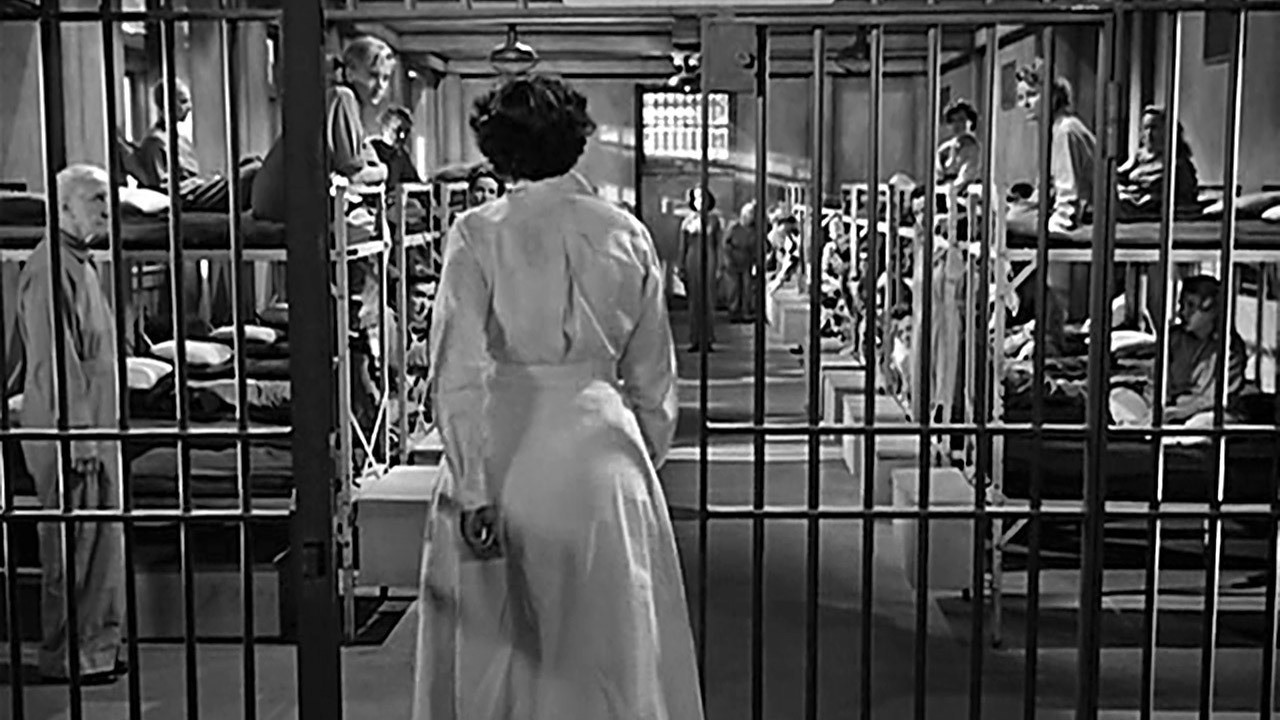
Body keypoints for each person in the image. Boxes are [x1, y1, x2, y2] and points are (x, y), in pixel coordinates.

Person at [413, 74, 702, 720]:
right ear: (576, 142)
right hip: (603, 456)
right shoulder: (627, 233)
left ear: (497, 149)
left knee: (499, 654)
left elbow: (457, 370)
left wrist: (473, 483)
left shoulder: (478, 233)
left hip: (505, 449)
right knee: (609, 653)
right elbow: (655, 379)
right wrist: (641, 460)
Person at [17, 164, 126, 684]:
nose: (107, 210)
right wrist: (77, 432)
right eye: (96, 200)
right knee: (74, 545)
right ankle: (70, 655)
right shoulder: (49, 269)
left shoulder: (81, 264)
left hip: (95, 424)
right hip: (73, 429)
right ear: (62, 208)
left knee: (100, 543)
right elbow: (52, 362)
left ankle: (97, 648)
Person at [252, 35, 392, 221]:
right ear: (350, 73)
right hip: (284, 201)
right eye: (373, 76)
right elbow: (355, 174)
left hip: (274, 197)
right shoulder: (342, 98)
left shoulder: (337, 100)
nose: (380, 85)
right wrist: (384, 170)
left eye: (386, 78)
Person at [1014, 59, 1098, 355]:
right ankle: (1041, 324)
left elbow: (1068, 191)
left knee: (1006, 227)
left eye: (1031, 95)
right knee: (1006, 219)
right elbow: (1047, 189)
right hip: (1073, 209)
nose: (1025, 104)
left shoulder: (1065, 130)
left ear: (1052, 95)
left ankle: (1042, 325)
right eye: (1021, 97)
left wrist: (1051, 225)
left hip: (1088, 215)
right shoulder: (1057, 129)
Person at [1112, 275, 1247, 428]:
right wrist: (1157, 407)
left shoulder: (1230, 348)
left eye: (1191, 305)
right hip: (1164, 411)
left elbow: (1214, 400)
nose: (1182, 312)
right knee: (1118, 396)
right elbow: (1156, 383)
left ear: (1211, 309)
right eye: (1182, 305)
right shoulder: (1173, 339)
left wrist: (1177, 412)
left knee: (1203, 423)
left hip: (1198, 414)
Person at [1116, 105, 1200, 217]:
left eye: (1154, 128)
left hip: (1155, 213)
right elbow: (1118, 174)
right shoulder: (1139, 157)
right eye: (1146, 128)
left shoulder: (1178, 164)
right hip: (1129, 205)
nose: (1149, 133)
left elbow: (1185, 198)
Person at [680, 185, 722, 352]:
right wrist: (680, 265)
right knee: (694, 300)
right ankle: (695, 338)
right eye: (697, 198)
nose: (700, 201)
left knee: (708, 300)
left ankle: (708, 339)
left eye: (703, 197)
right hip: (692, 259)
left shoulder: (714, 221)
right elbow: (682, 246)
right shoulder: (687, 222)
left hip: (709, 258)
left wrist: (719, 266)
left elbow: (719, 245)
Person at [723, 200, 760, 323]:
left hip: (747, 261)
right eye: (749, 214)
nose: (750, 217)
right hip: (733, 261)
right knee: (734, 288)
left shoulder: (754, 230)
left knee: (747, 288)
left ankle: (746, 311)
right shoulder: (734, 228)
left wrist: (755, 261)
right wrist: (728, 259)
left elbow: (756, 247)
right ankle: (733, 312)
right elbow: (725, 244)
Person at [935, 98, 981, 196]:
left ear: (970, 122)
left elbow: (968, 175)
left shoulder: (972, 147)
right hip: (944, 191)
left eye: (961, 120)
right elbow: (938, 174)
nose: (957, 125)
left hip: (965, 194)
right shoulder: (944, 148)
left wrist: (952, 188)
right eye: (953, 120)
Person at [370, 104, 423, 187]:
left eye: (406, 131)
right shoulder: (371, 149)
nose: (403, 136)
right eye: (398, 130)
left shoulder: (402, 154)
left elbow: (414, 183)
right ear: (385, 128)